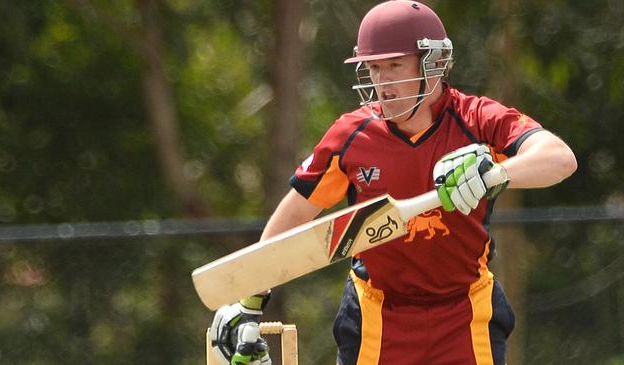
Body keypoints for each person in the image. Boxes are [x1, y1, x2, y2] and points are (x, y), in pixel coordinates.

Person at [210, 1, 577, 364]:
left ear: (433, 63)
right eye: (373, 68)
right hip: (375, 315)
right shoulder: (350, 136)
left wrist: (493, 174)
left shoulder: (478, 120)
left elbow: (559, 159)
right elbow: (295, 215)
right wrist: (250, 300)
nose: (383, 83)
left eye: (394, 66)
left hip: (467, 313)